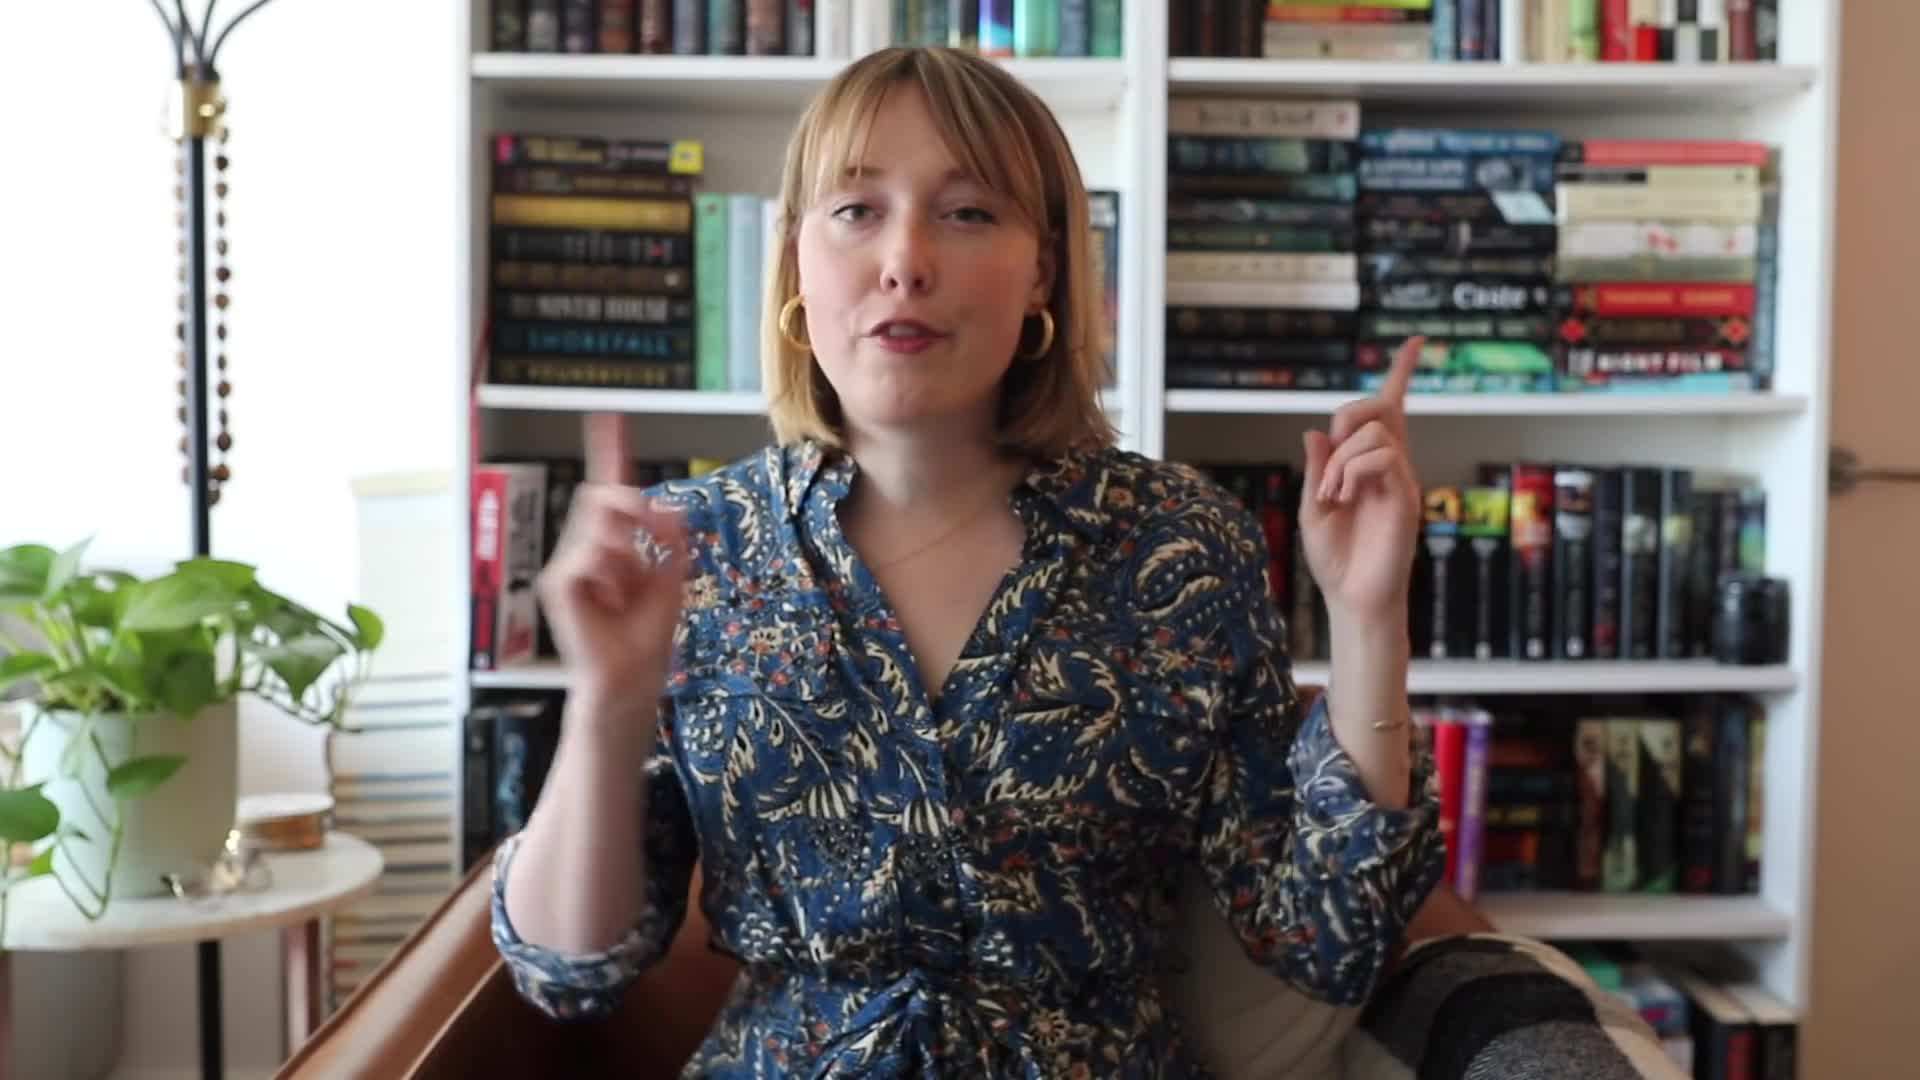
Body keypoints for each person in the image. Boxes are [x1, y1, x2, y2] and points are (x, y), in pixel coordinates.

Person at [491, 45, 1446, 1078]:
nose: (905, 260)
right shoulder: (690, 547)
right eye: (857, 210)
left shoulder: (1180, 541)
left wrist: (1367, 618)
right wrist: (609, 698)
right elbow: (567, 970)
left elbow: (1326, 934)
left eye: (968, 212)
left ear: (1043, 267)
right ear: (796, 260)